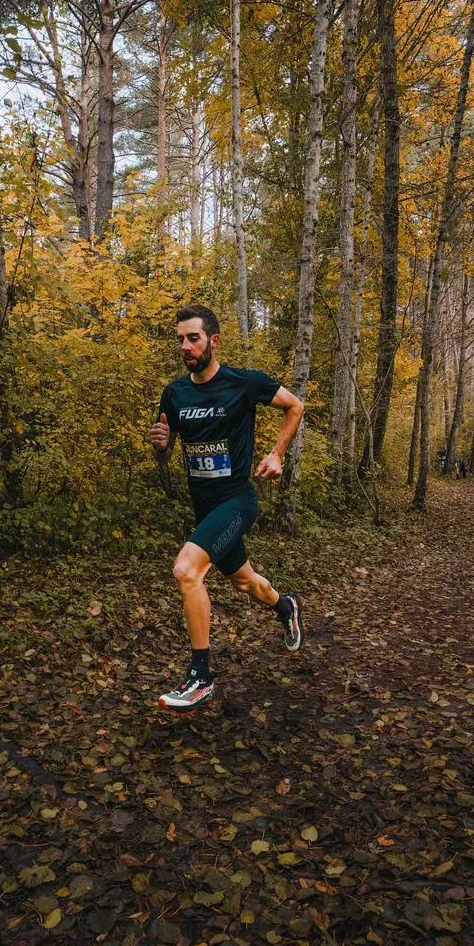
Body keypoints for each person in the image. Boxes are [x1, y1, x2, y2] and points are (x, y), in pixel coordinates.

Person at [149, 304, 306, 714]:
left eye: (193, 338)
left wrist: (277, 454)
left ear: (214, 341)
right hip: (205, 509)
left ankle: (200, 678)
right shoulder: (175, 393)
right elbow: (164, 456)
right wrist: (161, 447)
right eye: (181, 339)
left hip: (238, 500)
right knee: (246, 583)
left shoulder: (244, 384)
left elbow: (296, 406)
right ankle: (286, 606)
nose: (186, 346)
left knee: (186, 569)